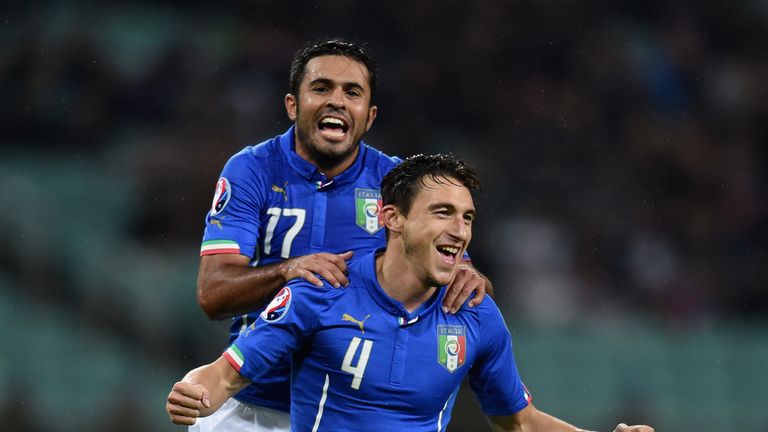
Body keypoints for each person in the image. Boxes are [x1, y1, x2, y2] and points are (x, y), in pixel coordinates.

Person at [168, 154, 654, 432]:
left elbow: (520, 422)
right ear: (392, 218)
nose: (460, 230)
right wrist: (197, 394)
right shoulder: (323, 290)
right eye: (442, 212)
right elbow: (226, 375)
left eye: (467, 218)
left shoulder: (476, 315)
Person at [193, 39, 492, 431]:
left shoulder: (398, 184)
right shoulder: (252, 170)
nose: (336, 100)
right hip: (253, 406)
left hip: (349, 416)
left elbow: (458, 273)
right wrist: (288, 272)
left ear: (368, 117)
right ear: (292, 105)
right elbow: (213, 295)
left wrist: (471, 277)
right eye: (321, 88)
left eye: (351, 92)